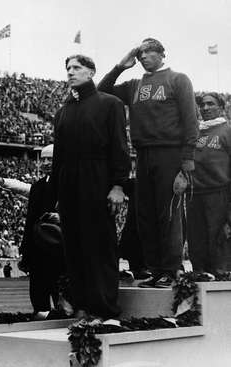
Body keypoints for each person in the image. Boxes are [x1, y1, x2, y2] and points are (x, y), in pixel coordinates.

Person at [98, 38, 199, 288]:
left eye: (148, 52)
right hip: (143, 154)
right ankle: (155, 269)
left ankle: (171, 269)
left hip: (170, 152)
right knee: (146, 214)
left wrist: (186, 162)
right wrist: (121, 65)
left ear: (162, 54)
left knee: (168, 212)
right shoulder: (135, 84)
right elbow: (102, 90)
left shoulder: (178, 79)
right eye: (140, 53)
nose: (143, 57)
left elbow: (190, 121)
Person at [52, 55, 130, 319]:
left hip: (98, 179)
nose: (71, 72)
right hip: (68, 183)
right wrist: (57, 194)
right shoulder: (62, 111)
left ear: (92, 72)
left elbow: (120, 147)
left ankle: (105, 309)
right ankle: (82, 305)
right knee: (73, 247)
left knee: (99, 244)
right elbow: (59, 157)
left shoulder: (111, 104)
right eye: (68, 69)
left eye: (77, 68)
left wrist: (118, 185)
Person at [17, 144, 66, 312]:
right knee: (38, 295)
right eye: (43, 159)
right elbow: (30, 220)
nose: (45, 162)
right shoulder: (37, 186)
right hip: (38, 248)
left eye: (49, 159)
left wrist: (63, 218)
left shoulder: (68, 183)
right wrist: (26, 250)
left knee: (60, 293)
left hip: (60, 247)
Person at [187, 93, 231, 273]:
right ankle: (199, 276)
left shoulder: (227, 130)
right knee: (196, 238)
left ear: (220, 107)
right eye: (202, 104)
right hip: (194, 192)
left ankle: (221, 277)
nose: (205, 108)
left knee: (218, 237)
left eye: (210, 104)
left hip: (218, 191)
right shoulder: (194, 131)